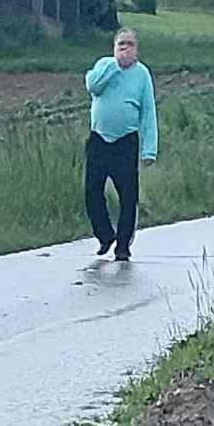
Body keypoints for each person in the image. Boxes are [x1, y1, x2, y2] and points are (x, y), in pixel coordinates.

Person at [83, 27, 157, 267]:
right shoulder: (104, 65)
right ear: (114, 47)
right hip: (99, 139)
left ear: (137, 50)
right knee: (92, 191)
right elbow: (92, 85)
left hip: (125, 141)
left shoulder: (142, 74)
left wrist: (149, 150)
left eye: (129, 44)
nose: (125, 48)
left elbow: (148, 112)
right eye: (120, 44)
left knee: (128, 195)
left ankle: (123, 246)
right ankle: (105, 235)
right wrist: (114, 65)